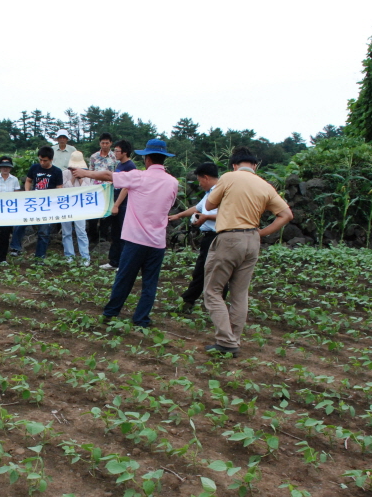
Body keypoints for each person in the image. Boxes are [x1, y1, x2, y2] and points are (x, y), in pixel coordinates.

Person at [72, 138, 178, 327]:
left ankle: (111, 313)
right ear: (163, 159)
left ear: (147, 159)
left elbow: (108, 175)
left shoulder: (138, 176)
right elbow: (169, 206)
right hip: (157, 242)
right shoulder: (172, 182)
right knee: (150, 283)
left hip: (135, 239)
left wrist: (84, 172)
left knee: (124, 278)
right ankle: (141, 318)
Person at [202, 146, 293, 356]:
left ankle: (225, 341)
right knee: (240, 293)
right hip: (252, 240)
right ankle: (234, 339)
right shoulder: (265, 185)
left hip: (229, 237)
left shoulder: (229, 177)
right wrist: (260, 233)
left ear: (235, 164)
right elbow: (286, 214)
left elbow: (208, 204)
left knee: (213, 291)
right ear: (255, 165)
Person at [167, 162, 226, 312]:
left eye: (199, 180)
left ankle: (190, 301)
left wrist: (205, 217)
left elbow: (227, 214)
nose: (199, 184)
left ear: (205, 178)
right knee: (212, 271)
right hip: (210, 237)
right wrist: (178, 215)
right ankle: (213, 304)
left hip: (217, 236)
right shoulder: (210, 193)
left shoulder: (221, 192)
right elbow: (198, 208)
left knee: (204, 271)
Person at [10, 147, 64, 259]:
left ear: (51, 159)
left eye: (45, 160)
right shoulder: (34, 167)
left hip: (47, 205)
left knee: (44, 231)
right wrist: (27, 192)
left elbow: (59, 188)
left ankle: (40, 256)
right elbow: (29, 180)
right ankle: (15, 248)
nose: (42, 163)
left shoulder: (57, 171)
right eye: (40, 160)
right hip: (33, 202)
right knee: (20, 223)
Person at [99, 139, 136, 270]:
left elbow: (126, 188)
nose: (114, 153)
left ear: (125, 152)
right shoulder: (120, 165)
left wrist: (117, 205)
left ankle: (122, 263)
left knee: (122, 234)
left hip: (123, 205)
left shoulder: (130, 166)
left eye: (117, 150)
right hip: (116, 202)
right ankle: (114, 261)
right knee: (115, 233)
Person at [61, 151, 91, 265]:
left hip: (80, 206)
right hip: (66, 206)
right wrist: (73, 178)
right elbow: (64, 188)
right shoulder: (64, 173)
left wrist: (80, 178)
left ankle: (85, 257)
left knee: (81, 231)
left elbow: (88, 189)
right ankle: (69, 256)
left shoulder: (87, 174)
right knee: (66, 232)